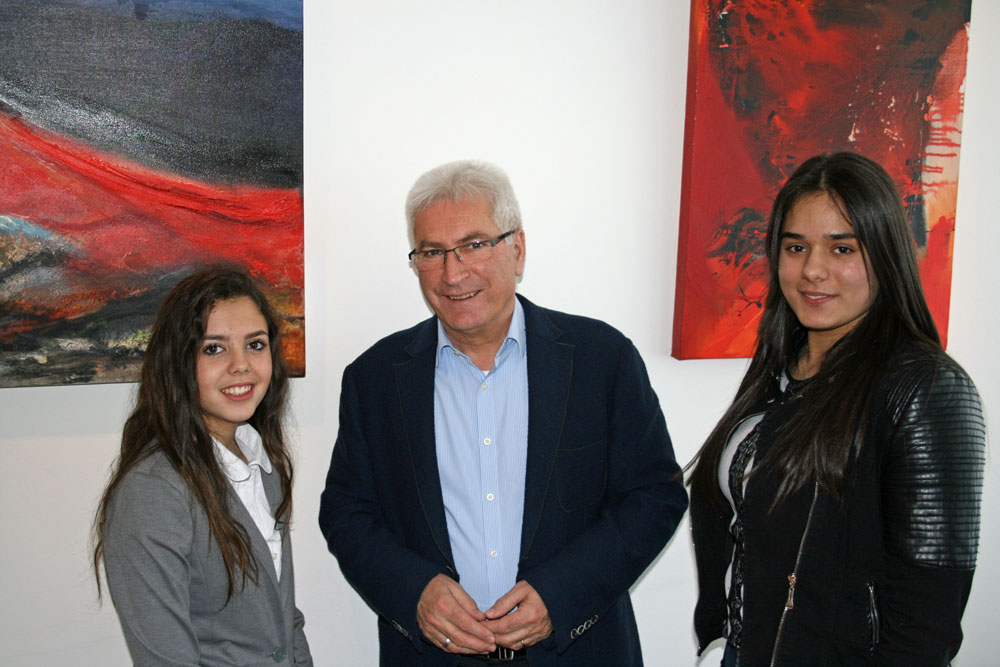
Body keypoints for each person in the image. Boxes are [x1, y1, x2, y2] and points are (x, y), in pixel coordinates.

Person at [319, 160, 687, 666]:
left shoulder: (602, 358)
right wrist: (416, 594)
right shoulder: (375, 378)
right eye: (432, 252)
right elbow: (346, 514)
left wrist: (559, 596)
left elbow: (655, 496)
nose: (453, 272)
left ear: (517, 249)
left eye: (474, 244)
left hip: (578, 652)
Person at [687, 152, 986, 666]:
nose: (812, 271)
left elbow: (926, 623)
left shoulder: (927, 387)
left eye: (842, 247)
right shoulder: (783, 367)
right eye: (795, 247)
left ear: (885, 254)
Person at [92, 268, 312, 666]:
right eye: (214, 348)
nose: (241, 365)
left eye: (255, 344)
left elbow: (285, 621)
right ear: (177, 361)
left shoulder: (263, 464)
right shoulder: (152, 492)